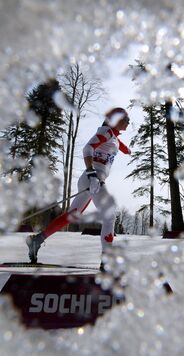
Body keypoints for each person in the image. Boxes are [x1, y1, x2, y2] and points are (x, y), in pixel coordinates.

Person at [26, 107, 131, 270]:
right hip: (93, 179)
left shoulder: (113, 137)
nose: (128, 122)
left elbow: (120, 146)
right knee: (110, 213)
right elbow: (87, 148)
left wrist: (128, 150)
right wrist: (92, 174)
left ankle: (37, 240)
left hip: (91, 180)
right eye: (126, 119)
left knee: (71, 216)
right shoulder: (106, 133)